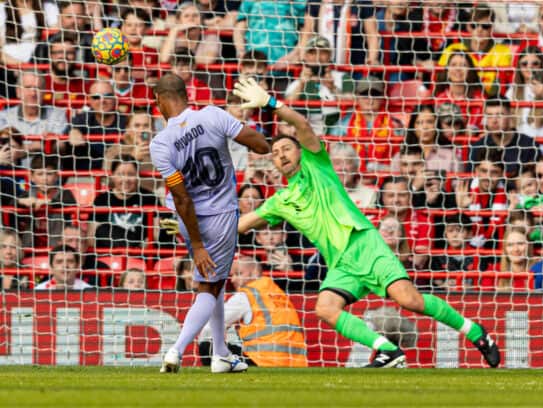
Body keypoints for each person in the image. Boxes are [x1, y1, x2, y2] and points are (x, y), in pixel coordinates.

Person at [234, 77, 500, 368]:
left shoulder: (316, 165)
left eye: (286, 148)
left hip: (364, 245)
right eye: (275, 153)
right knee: (325, 308)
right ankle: (387, 350)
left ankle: (477, 333)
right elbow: (240, 225)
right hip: (341, 263)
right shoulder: (279, 201)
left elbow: (302, 125)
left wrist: (271, 103)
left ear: (300, 151)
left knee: (409, 300)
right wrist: (193, 226)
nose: (280, 155)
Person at [150, 73, 269, 374]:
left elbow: (181, 198)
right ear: (185, 93)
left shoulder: (160, 143)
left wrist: (196, 241)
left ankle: (220, 354)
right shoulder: (214, 115)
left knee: (214, 283)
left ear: (161, 100)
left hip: (186, 220)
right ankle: (176, 350)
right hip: (220, 215)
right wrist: (251, 119)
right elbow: (261, 145)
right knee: (209, 286)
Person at [199, 254, 307, 367]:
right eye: (232, 275)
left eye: (239, 274)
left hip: (262, 361)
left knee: (207, 343)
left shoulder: (246, 295)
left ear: (255, 272)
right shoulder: (279, 294)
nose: (233, 279)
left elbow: (211, 326)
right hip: (295, 363)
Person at [284, 35, 354, 135]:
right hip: (306, 128)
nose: (318, 57)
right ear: (306, 57)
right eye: (313, 53)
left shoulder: (342, 77)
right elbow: (286, 107)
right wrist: (301, 84)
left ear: (330, 56)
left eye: (323, 53)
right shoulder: (296, 83)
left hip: (336, 126)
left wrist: (332, 88)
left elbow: (351, 103)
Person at [438, 5, 512, 96]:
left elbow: (502, 84)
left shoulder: (502, 51)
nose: (479, 30)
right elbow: (440, 80)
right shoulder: (452, 49)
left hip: (490, 103)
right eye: (474, 25)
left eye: (485, 26)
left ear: (492, 28)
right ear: (468, 27)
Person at [0, 70, 68, 156]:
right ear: (18, 92)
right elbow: (5, 152)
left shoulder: (58, 114)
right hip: (13, 168)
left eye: (38, 88)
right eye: (28, 87)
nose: (33, 93)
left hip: (46, 168)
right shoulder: (3, 116)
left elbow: (62, 146)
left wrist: (23, 149)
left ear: (44, 92)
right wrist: (41, 145)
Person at [505, 45, 543, 141]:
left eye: (535, 63)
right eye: (524, 64)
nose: (530, 67)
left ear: (542, 66)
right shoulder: (512, 91)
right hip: (519, 146)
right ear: (519, 67)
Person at [16, 155, 77, 248]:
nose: (45, 179)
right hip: (31, 246)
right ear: (32, 177)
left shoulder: (65, 193)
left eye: (49, 174)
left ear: (56, 176)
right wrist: (20, 201)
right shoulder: (28, 194)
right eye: (40, 174)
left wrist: (46, 202)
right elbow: (10, 203)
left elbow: (69, 204)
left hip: (58, 247)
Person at [468, 97, 538, 178]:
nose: (494, 120)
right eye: (489, 115)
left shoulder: (529, 145)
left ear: (510, 115)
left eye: (500, 115)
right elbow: (470, 180)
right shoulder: (477, 147)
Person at [329, 142, 377, 208]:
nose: (342, 168)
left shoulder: (369, 194)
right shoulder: (322, 193)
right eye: (337, 163)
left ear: (356, 167)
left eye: (347, 162)